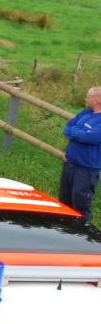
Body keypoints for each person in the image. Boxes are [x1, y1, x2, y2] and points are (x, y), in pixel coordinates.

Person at [60, 87, 101, 224]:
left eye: (88, 97)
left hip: (86, 169)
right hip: (70, 164)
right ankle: (64, 230)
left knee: (80, 203)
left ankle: (82, 237)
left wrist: (75, 132)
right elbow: (67, 128)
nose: (85, 100)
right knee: (64, 201)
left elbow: (92, 138)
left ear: (96, 100)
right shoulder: (85, 113)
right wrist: (79, 133)